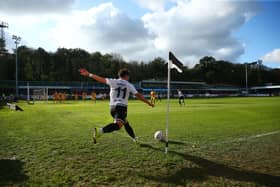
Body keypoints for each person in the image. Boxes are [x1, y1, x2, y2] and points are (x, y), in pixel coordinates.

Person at [79, 68, 154, 143]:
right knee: (118, 125)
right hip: (121, 107)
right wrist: (148, 103)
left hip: (112, 108)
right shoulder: (129, 85)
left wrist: (89, 74)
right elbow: (138, 95)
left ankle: (134, 138)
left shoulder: (113, 81)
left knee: (125, 122)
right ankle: (100, 131)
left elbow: (101, 79)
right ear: (127, 76)